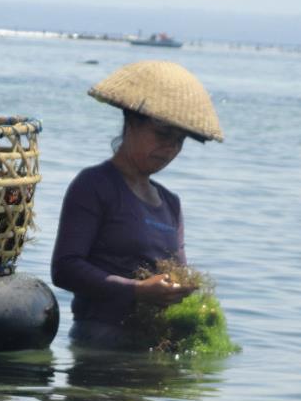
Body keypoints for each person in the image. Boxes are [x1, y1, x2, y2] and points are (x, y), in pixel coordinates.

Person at [51, 60, 224, 348]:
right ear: (131, 122)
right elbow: (65, 268)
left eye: (179, 140)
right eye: (163, 135)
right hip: (101, 342)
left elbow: (176, 271)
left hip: (152, 342)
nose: (170, 148)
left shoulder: (171, 203)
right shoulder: (94, 185)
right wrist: (137, 291)